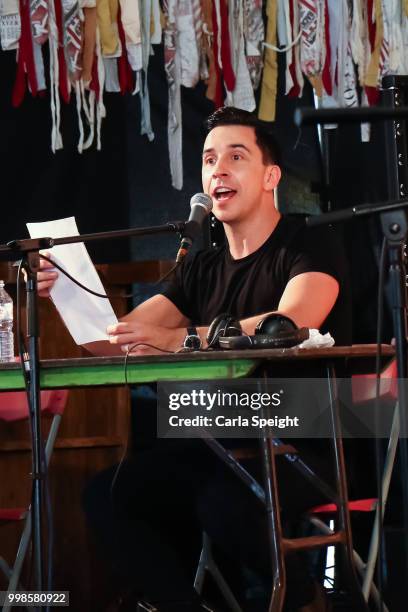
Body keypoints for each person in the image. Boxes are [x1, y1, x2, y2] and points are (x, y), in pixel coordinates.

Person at [37, 107, 351, 611]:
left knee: (223, 504)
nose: (218, 169)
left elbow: (294, 321)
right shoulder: (201, 267)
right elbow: (117, 337)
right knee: (110, 495)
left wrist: (180, 339)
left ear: (271, 177)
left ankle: (310, 601)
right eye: (209, 159)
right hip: (218, 444)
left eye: (235, 156)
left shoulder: (309, 240)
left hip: (301, 441)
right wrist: (66, 291)